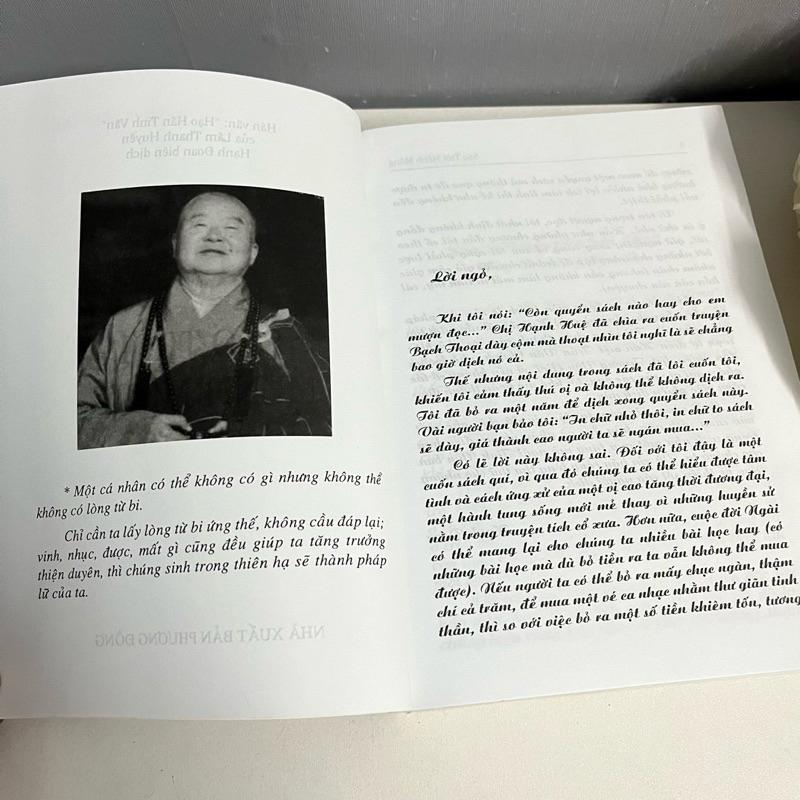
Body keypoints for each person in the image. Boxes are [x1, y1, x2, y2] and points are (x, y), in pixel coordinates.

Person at [77, 191, 331, 448]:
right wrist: (135, 430)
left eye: (231, 228)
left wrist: (251, 434)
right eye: (199, 224)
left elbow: (324, 427)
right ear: (175, 244)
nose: (214, 236)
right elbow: (73, 421)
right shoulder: (124, 327)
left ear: (253, 252)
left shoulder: (283, 332)